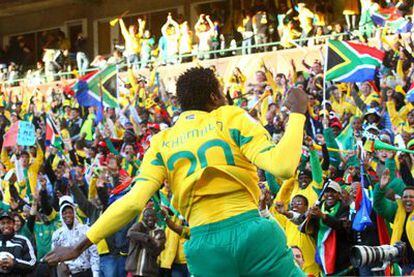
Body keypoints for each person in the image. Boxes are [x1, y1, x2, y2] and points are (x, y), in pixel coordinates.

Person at [45, 67, 309, 276]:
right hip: (253, 233)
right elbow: (283, 166)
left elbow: (133, 203)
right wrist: (297, 113)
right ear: (215, 97)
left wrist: (79, 246)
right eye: (222, 91)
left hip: (205, 246)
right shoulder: (230, 117)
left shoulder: (162, 141)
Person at [373, 170, 414, 275]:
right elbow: (379, 205)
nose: (408, 199)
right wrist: (381, 188)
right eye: (405, 197)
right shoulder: (397, 209)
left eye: (412, 197)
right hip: (401, 265)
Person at [51, 196, 99, 277]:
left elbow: (94, 254)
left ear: (74, 213)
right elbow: (55, 255)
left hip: (86, 272)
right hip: (69, 274)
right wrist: (61, 265)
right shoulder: (57, 235)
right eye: (64, 213)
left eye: (70, 212)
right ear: (61, 215)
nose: (67, 215)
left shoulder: (86, 230)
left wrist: (96, 274)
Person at [125, 207, 165, 277]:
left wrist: (141, 240)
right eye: (147, 216)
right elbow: (130, 234)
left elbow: (156, 250)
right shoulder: (139, 225)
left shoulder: (160, 232)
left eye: (152, 216)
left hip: (149, 272)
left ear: (156, 218)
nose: (150, 218)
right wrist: (149, 238)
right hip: (133, 270)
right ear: (143, 217)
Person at [0, 212, 36, 276]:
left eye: (9, 222)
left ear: (13, 224)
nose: (6, 226)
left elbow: (32, 263)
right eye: (3, 223)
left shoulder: (23, 240)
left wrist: (14, 263)